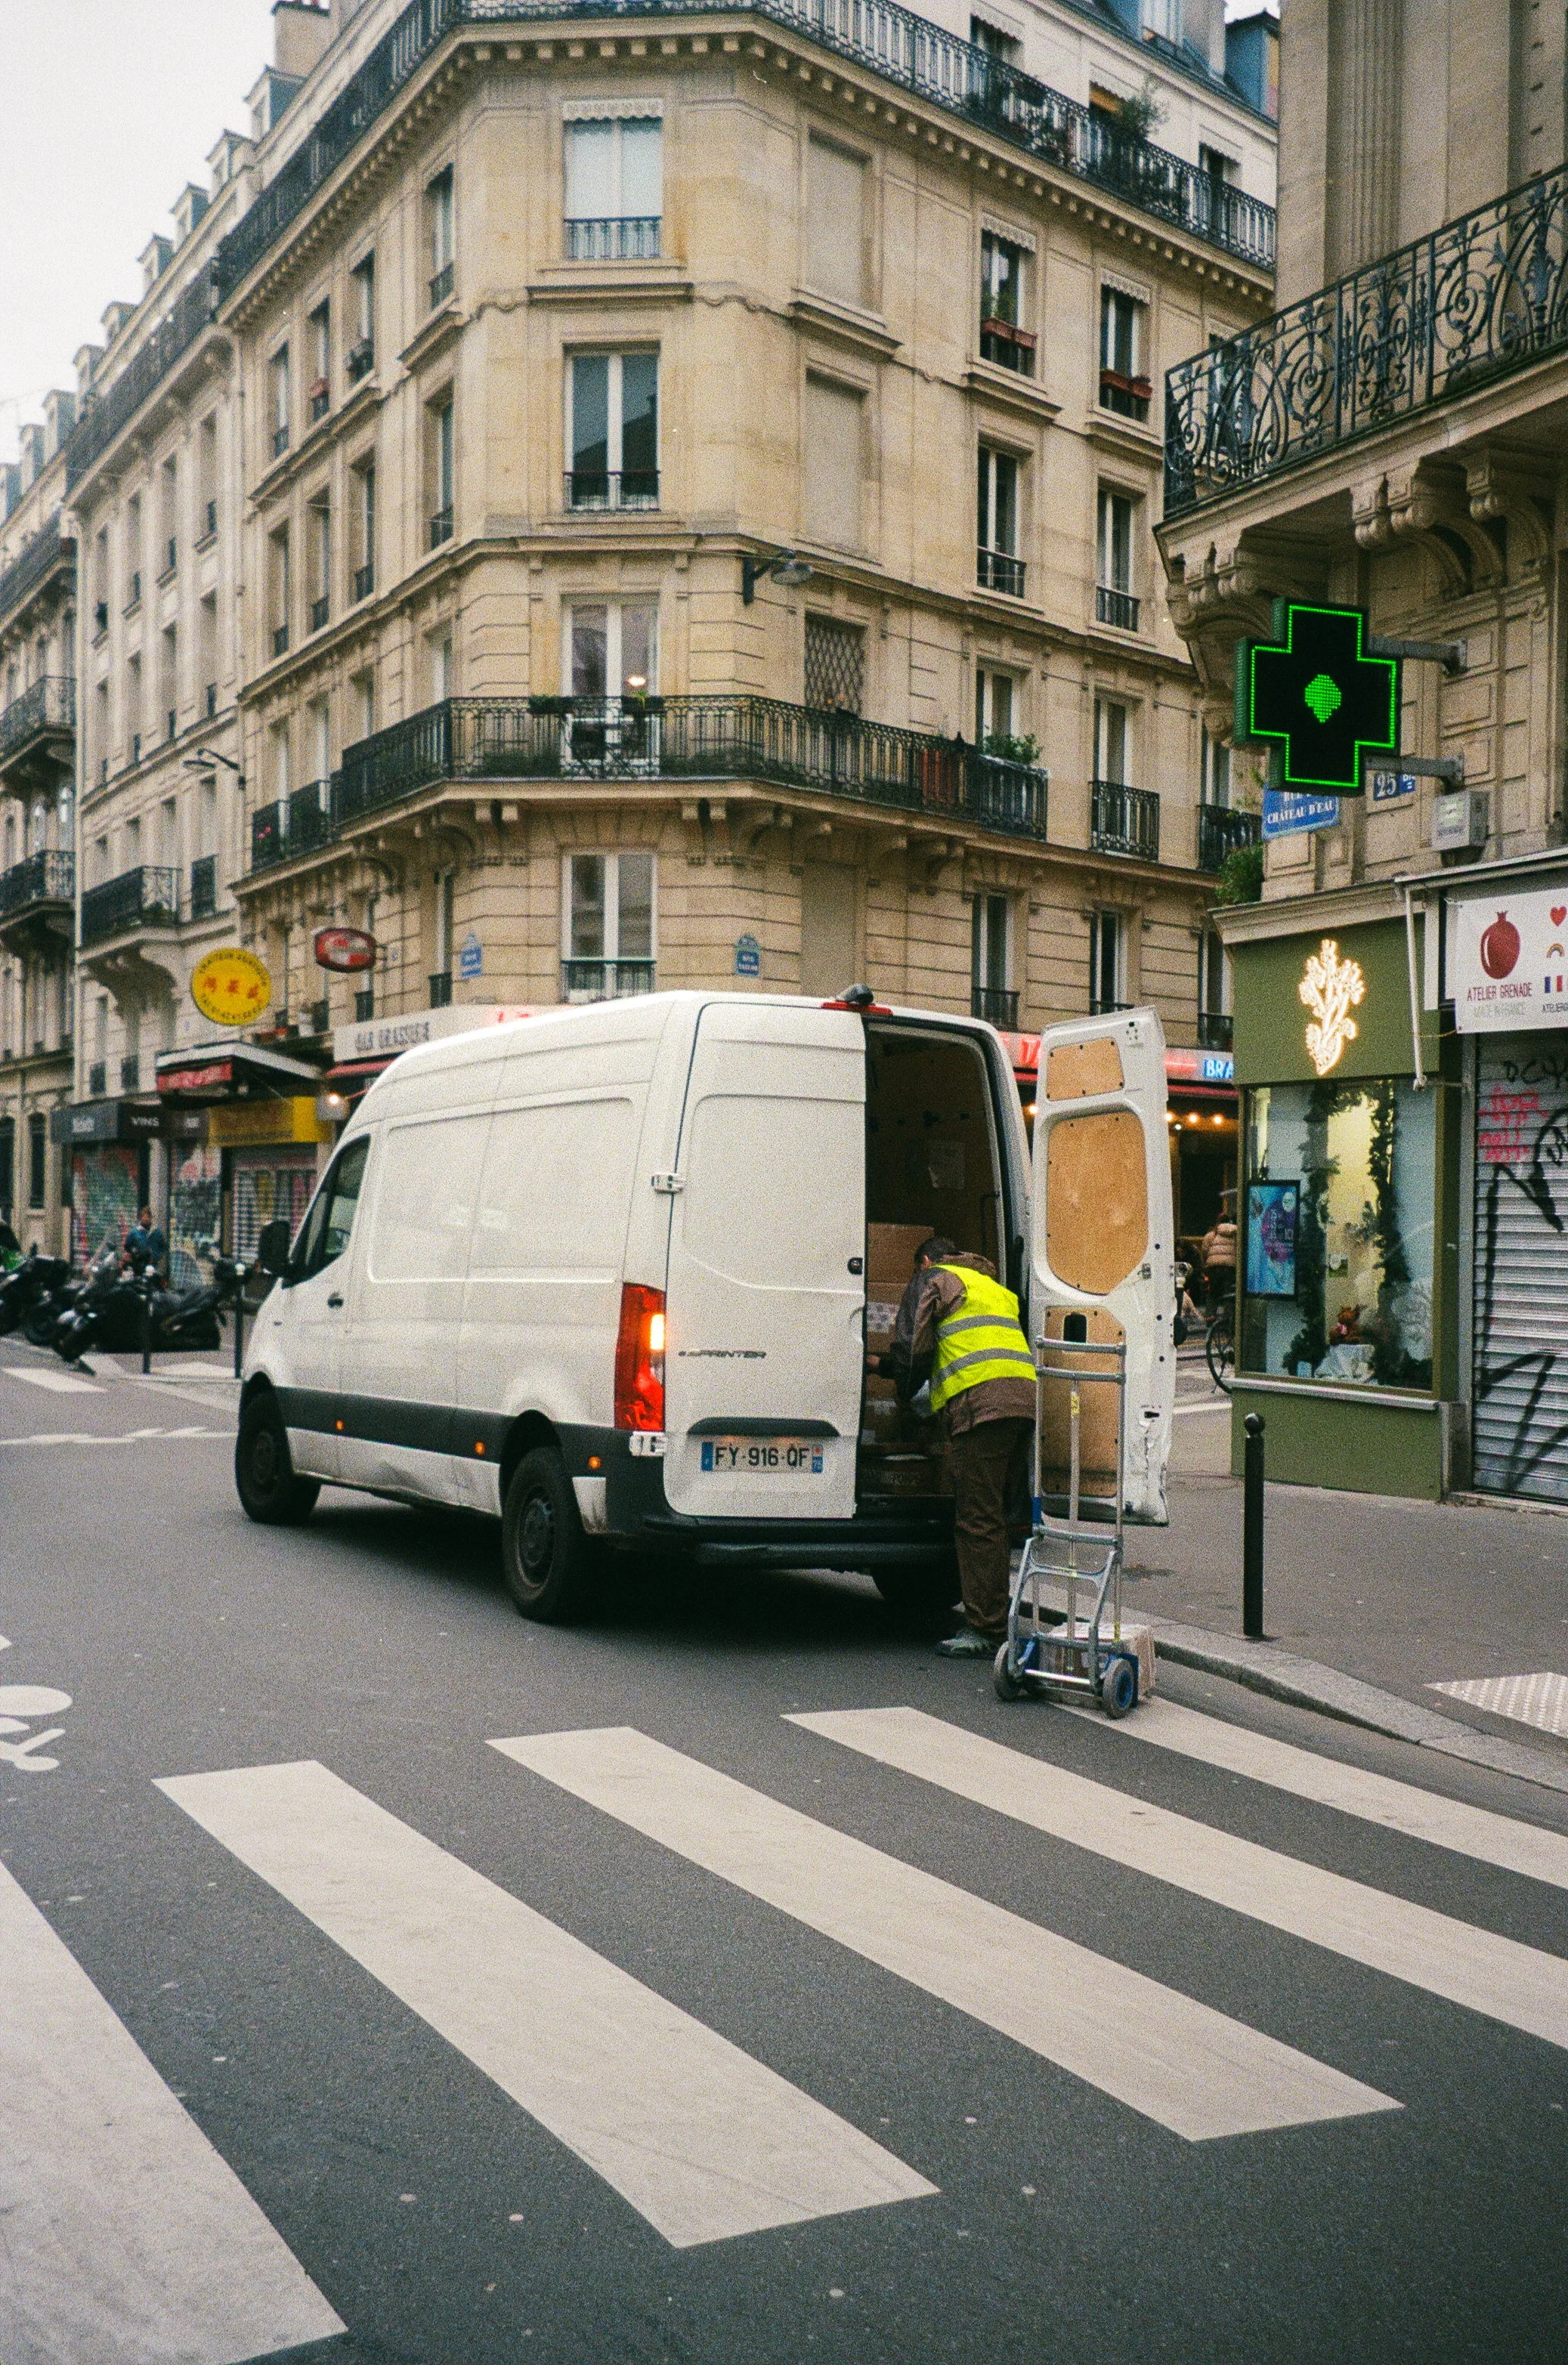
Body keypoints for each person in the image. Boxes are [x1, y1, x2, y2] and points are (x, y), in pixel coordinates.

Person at [870, 1234, 1036, 1659]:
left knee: (976, 1519)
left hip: (982, 1406)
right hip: (1022, 1401)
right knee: (995, 1515)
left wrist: (903, 1399)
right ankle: (996, 1615)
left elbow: (912, 1351)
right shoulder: (992, 1287)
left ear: (925, 1259)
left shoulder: (931, 1280)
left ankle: (986, 1628)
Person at [1199, 1192, 1237, 1310]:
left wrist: (1207, 1263)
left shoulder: (1212, 1234)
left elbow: (1205, 1250)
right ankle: (1228, 1318)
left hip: (1213, 1267)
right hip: (1231, 1267)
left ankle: (1210, 1315)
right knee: (1229, 1292)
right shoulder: (1236, 1233)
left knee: (1212, 1292)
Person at [122, 1205, 168, 1276]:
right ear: (141, 1218)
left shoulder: (156, 1232)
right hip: (139, 1265)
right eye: (145, 1216)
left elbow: (163, 1246)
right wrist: (134, 1253)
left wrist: (158, 1256)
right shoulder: (135, 1232)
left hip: (153, 1265)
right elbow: (127, 1246)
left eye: (149, 1217)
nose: (147, 1219)